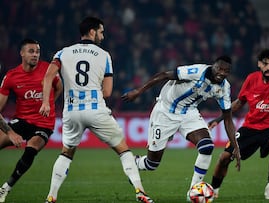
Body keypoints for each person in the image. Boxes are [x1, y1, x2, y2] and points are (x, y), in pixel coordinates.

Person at [39, 17, 154, 203]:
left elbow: (48, 76)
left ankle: (51, 196)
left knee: (66, 153)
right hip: (96, 110)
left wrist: (46, 102)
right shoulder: (104, 55)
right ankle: (140, 191)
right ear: (92, 32)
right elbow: (107, 92)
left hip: (72, 111)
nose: (103, 35)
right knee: (124, 151)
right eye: (101, 31)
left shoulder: (62, 53)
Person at [121, 55, 241, 201]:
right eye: (219, 68)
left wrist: (236, 147)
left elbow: (227, 119)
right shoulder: (197, 71)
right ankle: (135, 163)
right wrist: (139, 91)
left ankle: (193, 191)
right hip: (165, 111)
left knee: (207, 147)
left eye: (226, 71)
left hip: (188, 113)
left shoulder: (224, 88)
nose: (222, 73)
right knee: (152, 164)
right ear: (213, 66)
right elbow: (164, 75)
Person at [208, 48, 269, 200]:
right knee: (224, 157)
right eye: (265, 64)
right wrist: (219, 119)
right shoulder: (251, 79)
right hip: (250, 127)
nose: (268, 67)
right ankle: (213, 190)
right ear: (259, 64)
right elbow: (239, 103)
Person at [0, 39, 63, 203]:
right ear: (22, 53)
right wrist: (11, 132)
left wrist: (48, 103)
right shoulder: (12, 77)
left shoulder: (48, 70)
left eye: (37, 51)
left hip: (44, 123)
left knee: (32, 147)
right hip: (21, 120)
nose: (35, 55)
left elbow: (59, 87)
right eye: (31, 51)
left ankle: (5, 188)